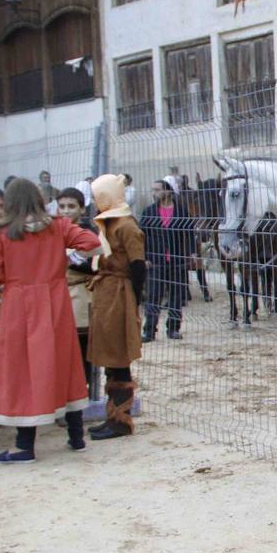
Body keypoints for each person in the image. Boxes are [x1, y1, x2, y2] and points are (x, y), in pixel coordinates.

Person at [0, 178, 100, 464]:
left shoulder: (2, 232)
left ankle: (24, 446)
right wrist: (63, 258)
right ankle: (76, 437)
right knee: (65, 362)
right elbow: (92, 243)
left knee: (23, 369)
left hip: (20, 305)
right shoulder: (57, 226)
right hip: (55, 301)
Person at [85, 174, 147, 440]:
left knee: (119, 356)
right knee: (111, 356)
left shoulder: (127, 226)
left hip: (119, 295)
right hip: (108, 294)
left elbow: (137, 265)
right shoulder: (110, 223)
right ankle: (113, 414)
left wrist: (133, 299)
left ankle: (121, 420)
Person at [139, 179, 194, 341]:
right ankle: (149, 331)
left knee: (176, 296)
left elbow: (189, 235)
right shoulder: (149, 212)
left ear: (168, 191)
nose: (154, 193)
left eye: (157, 190)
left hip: (177, 261)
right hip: (155, 260)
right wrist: (144, 257)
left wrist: (190, 254)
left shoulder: (182, 212)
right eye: (153, 190)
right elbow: (141, 236)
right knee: (154, 296)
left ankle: (173, 329)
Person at [57, 188, 96, 393]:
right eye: (61, 206)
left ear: (81, 209)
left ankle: (82, 391)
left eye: (71, 207)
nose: (65, 211)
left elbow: (95, 262)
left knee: (81, 348)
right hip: (57, 296)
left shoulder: (88, 232)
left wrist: (68, 259)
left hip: (80, 294)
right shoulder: (53, 231)